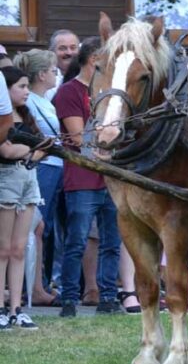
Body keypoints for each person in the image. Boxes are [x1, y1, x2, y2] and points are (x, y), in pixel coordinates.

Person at [53, 37, 122, 317]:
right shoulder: (69, 92)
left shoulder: (112, 92)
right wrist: (114, 133)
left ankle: (108, 297)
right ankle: (69, 299)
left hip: (112, 177)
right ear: (93, 60)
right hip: (82, 177)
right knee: (77, 240)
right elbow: (80, 137)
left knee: (111, 242)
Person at [14, 49, 63, 306]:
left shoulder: (46, 99)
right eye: (53, 70)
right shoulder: (31, 101)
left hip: (54, 166)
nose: (57, 74)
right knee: (35, 225)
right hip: (43, 166)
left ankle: (38, 284)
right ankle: (30, 287)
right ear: (42, 74)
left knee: (44, 227)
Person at [0, 67, 47, 330]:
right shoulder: (3, 119)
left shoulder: (28, 117)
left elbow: (44, 150)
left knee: (20, 248)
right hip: (6, 179)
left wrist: (28, 152)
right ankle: (1, 308)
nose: (27, 91)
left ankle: (17, 308)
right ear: (5, 91)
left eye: (28, 86)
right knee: (3, 249)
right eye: (21, 86)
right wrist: (33, 151)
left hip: (29, 181)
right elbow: (6, 151)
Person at [48, 29, 79, 96]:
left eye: (73, 48)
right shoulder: (47, 82)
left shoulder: (86, 77)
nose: (69, 53)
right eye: (62, 48)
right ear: (52, 52)